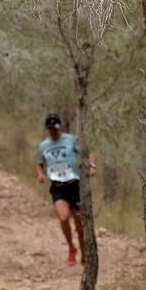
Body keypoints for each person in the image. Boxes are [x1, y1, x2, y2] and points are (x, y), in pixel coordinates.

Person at [36, 114, 95, 266]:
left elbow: (89, 153)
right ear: (47, 130)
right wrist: (41, 174)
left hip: (74, 185)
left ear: (60, 127)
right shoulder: (43, 145)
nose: (53, 132)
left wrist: (92, 167)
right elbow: (39, 163)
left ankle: (84, 253)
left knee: (80, 225)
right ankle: (71, 248)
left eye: (55, 129)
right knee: (63, 217)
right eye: (50, 129)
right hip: (57, 186)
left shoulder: (71, 140)